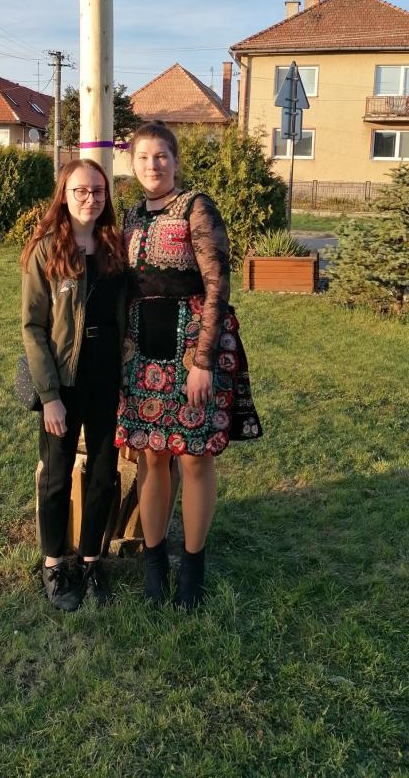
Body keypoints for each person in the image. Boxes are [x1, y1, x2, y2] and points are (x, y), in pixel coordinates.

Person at [116, 122, 262, 610]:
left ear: (175, 162)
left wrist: (203, 361)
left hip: (191, 347)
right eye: (143, 157)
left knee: (195, 457)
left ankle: (193, 566)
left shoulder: (197, 206)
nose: (152, 165)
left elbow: (218, 284)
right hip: (142, 351)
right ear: (132, 164)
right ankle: (155, 561)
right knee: (151, 456)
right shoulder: (131, 215)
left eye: (161, 156)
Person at [21, 159, 127, 611]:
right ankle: (53, 564)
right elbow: (33, 327)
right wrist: (49, 398)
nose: (90, 199)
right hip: (63, 385)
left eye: (98, 191)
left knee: (103, 474)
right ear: (64, 195)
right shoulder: (46, 250)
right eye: (80, 191)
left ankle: (90, 560)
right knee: (57, 475)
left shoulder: (114, 247)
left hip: (106, 381)